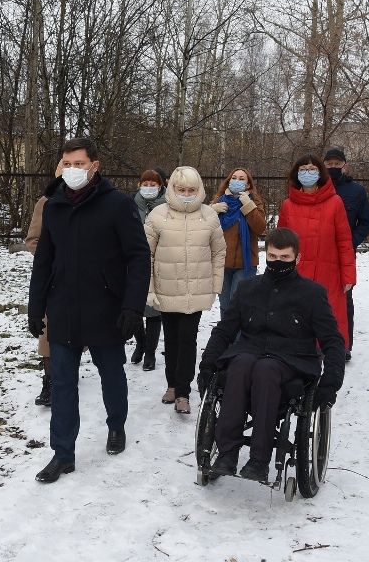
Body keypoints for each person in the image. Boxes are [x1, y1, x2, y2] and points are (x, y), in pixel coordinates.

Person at [27, 137, 151, 483]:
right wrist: (36, 307)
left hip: (105, 307)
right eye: (67, 164)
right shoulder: (54, 206)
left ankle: (116, 425)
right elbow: (44, 261)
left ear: (94, 166)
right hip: (63, 308)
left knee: (111, 373)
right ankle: (62, 454)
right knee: (63, 382)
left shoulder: (117, 205)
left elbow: (139, 257)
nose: (72, 170)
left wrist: (132, 306)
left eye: (79, 164)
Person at [198, 227, 346, 483]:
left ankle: (259, 459)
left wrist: (331, 380)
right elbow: (224, 330)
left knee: (266, 370)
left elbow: (332, 340)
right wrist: (207, 363)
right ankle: (227, 452)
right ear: (266, 255)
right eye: (273, 257)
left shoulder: (312, 294)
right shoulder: (248, 288)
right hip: (250, 351)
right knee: (239, 365)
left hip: (291, 358)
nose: (278, 263)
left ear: (297, 258)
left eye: (285, 258)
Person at [144, 166, 226, 415]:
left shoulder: (209, 216)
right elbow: (145, 255)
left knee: (188, 340)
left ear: (199, 189)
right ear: (173, 189)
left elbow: (218, 252)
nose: (187, 194)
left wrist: (215, 285)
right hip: (167, 289)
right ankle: (172, 384)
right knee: (171, 340)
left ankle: (183, 393)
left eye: (191, 190)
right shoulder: (158, 215)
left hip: (195, 291)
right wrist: (149, 289)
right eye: (182, 190)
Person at [277, 154, 356, 353]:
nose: (307, 173)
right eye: (303, 170)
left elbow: (344, 242)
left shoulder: (335, 202)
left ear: (320, 173)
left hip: (328, 274)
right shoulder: (288, 205)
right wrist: (277, 271)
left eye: (312, 169)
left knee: (327, 320)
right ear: (296, 174)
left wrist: (348, 276)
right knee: (296, 321)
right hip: (296, 274)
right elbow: (280, 243)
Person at [322, 149, 369, 360]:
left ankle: (343, 345)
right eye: (329, 164)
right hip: (318, 252)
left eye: (337, 164)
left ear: (345, 166)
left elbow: (366, 222)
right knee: (315, 296)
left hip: (343, 254)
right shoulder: (315, 189)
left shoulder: (357, 191)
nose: (333, 167)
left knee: (344, 298)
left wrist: (349, 243)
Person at [24, 161, 67, 406]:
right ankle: (49, 382)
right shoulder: (46, 202)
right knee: (48, 334)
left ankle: (67, 373)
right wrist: (52, 260)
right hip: (53, 279)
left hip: (85, 281)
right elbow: (33, 240)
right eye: (64, 168)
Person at [210, 167, 267, 316]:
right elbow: (204, 229)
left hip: (245, 264)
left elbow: (260, 228)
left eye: (242, 179)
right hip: (222, 263)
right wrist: (211, 211)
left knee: (239, 306)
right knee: (225, 306)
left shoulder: (254, 201)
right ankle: (226, 331)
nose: (237, 181)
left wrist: (248, 206)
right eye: (234, 178)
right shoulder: (220, 200)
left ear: (248, 185)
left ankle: (240, 333)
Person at [130, 167, 168, 370]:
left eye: (153, 184)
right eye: (145, 184)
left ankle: (150, 352)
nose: (148, 187)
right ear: (139, 185)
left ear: (160, 186)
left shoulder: (168, 206)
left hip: (159, 261)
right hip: (134, 261)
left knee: (153, 309)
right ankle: (141, 343)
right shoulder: (131, 204)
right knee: (134, 305)